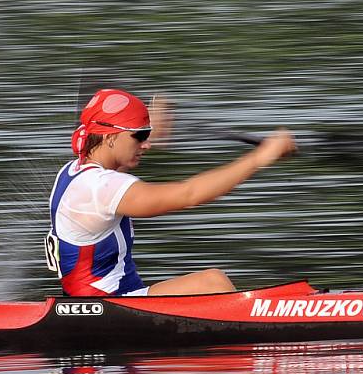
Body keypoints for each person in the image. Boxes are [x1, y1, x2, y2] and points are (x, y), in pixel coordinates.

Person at [45, 88, 296, 297]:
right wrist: (260, 158)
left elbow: (113, 151)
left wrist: (149, 127)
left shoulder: (76, 170)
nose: (147, 144)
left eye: (147, 135)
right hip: (110, 305)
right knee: (212, 283)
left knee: (211, 282)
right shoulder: (98, 189)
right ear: (110, 138)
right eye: (140, 136)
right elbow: (189, 194)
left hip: (118, 299)